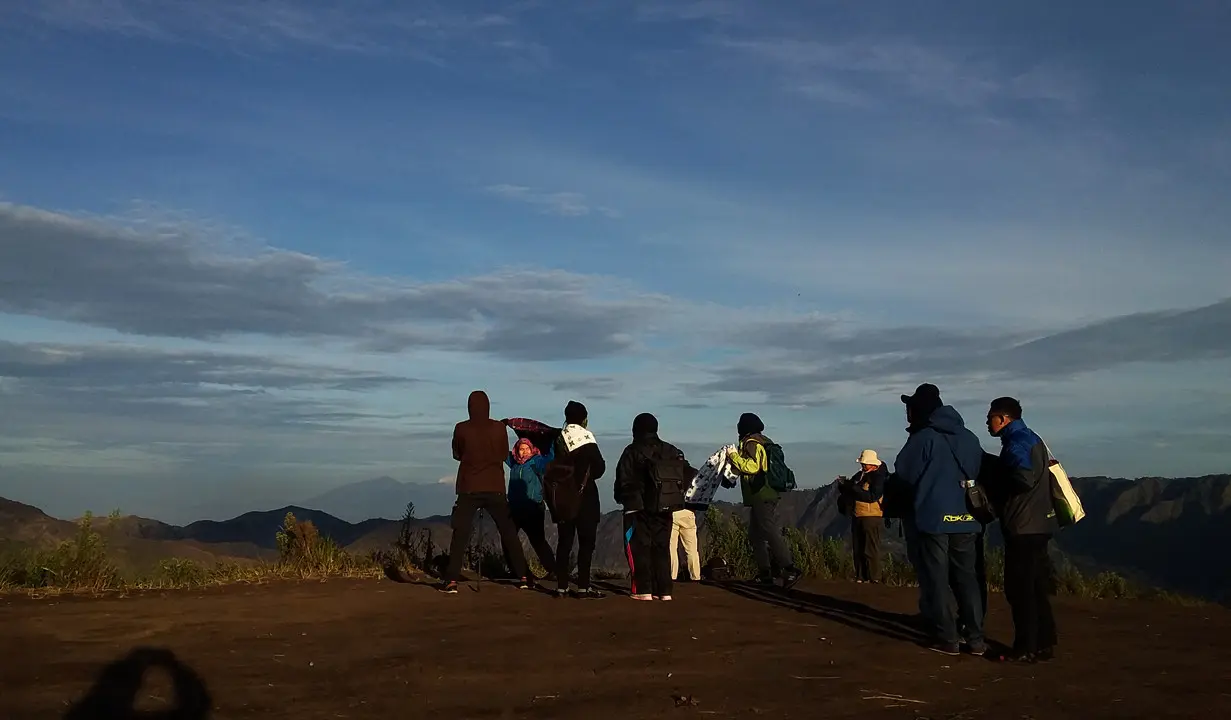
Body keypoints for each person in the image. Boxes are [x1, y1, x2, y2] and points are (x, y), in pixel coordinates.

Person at [894, 383, 987, 656]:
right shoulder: (970, 437)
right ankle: (976, 638)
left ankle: (948, 637)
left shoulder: (924, 438)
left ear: (919, 410)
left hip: (933, 518)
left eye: (909, 408)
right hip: (968, 517)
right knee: (967, 579)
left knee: (937, 578)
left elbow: (904, 472)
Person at [985, 396, 1059, 663]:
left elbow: (1022, 479)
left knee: (1019, 588)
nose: (987, 422)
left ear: (1004, 419)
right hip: (1041, 522)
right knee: (1036, 586)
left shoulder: (1015, 443)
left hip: (1023, 525)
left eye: (990, 417)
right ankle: (1044, 643)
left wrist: (998, 483)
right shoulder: (1033, 438)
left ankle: (1024, 647)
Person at [441, 390, 532, 594]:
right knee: (508, 532)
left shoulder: (461, 428)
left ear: (469, 407)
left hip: (469, 487)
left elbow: (457, 454)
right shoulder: (499, 428)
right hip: (495, 486)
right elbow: (502, 454)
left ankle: (451, 580)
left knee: (461, 533)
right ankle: (524, 576)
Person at [615, 412, 694, 601]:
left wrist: (624, 498)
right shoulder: (671, 451)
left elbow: (622, 481)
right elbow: (688, 474)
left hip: (638, 508)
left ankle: (643, 590)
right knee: (662, 548)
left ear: (636, 429)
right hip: (665, 507)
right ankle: (664, 590)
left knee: (639, 548)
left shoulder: (631, 451)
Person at [726, 413, 802, 588]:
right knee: (755, 535)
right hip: (765, 493)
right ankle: (765, 573)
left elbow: (752, 467)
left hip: (761, 493)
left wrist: (733, 456)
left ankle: (789, 569)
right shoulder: (764, 441)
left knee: (768, 530)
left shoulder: (752, 443)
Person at [545, 400, 607, 599]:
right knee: (586, 543)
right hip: (585, 496)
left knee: (564, 542)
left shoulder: (558, 438)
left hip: (563, 496)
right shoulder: (586, 437)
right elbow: (599, 468)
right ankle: (583, 587)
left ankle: (561, 587)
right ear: (583, 418)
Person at [504, 437, 557, 581]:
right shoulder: (514, 463)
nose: (524, 452)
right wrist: (501, 429)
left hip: (533, 508)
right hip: (514, 508)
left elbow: (549, 460)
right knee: (508, 539)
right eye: (521, 449)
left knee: (538, 541)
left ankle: (553, 570)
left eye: (527, 448)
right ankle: (518, 571)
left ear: (532, 449)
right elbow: (502, 452)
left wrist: (552, 441)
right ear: (517, 450)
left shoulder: (536, 461)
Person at [837, 449, 888, 583]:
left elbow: (872, 496)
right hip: (858, 515)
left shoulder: (878, 478)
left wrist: (854, 488)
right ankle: (861, 576)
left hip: (871, 516)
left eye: (864, 463)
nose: (862, 466)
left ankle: (873, 577)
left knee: (870, 548)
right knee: (858, 548)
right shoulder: (861, 475)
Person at [669, 508, 701, 582]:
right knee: (692, 549)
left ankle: (672, 575)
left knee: (671, 548)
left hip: (673, 512)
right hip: (688, 512)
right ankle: (695, 576)